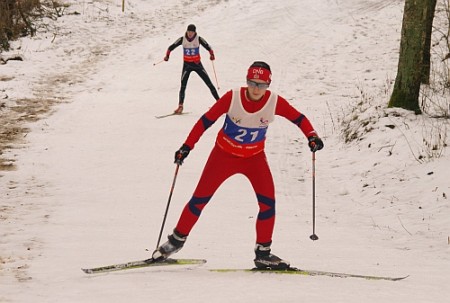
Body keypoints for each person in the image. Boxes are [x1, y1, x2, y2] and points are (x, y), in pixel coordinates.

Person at [152, 61, 324, 269]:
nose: (255, 89)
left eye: (261, 85)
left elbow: (299, 118)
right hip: (223, 156)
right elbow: (205, 121)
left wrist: (312, 136)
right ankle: (175, 241)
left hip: (255, 159)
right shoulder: (232, 97)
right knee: (199, 199)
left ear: (268, 84)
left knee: (268, 203)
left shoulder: (274, 102)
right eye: (252, 83)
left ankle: (263, 253)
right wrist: (187, 147)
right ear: (247, 81)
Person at [164, 24, 220, 114]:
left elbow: (208, 47)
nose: (190, 34)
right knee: (183, 86)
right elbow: (171, 47)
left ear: (195, 32)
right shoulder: (182, 39)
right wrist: (167, 56)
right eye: (189, 31)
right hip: (187, 66)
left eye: (192, 32)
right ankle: (180, 106)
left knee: (209, 83)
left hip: (197, 65)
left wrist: (212, 55)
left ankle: (220, 103)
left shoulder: (199, 39)